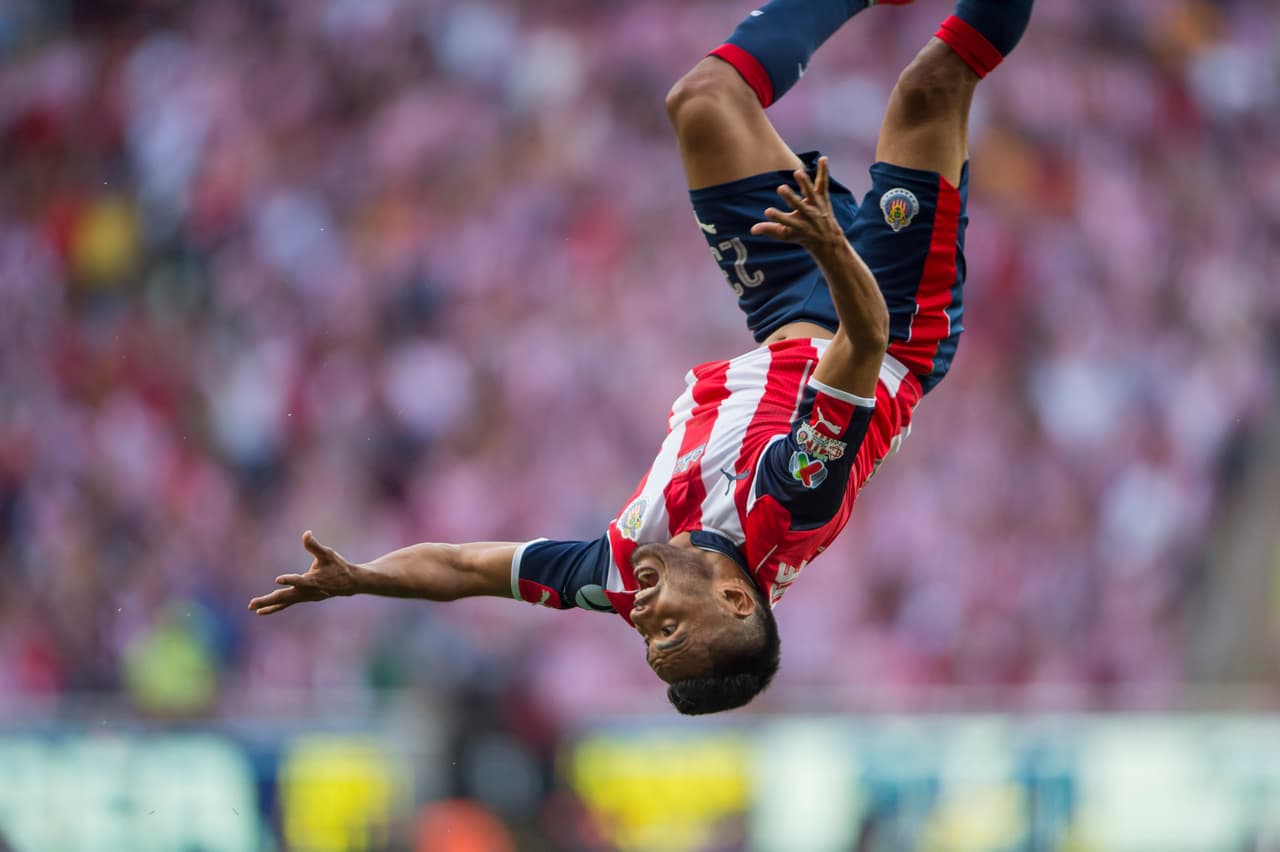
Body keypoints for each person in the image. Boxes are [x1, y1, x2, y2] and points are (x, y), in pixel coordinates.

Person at [249, 0, 1034, 714]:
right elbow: (861, 343)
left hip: (787, 311)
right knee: (930, 88)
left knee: (702, 102)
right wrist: (829, 244)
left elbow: (466, 571)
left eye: (649, 645)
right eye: (670, 637)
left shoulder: (623, 576)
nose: (647, 627)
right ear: (734, 599)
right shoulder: (792, 506)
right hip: (892, 322)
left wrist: (361, 579)